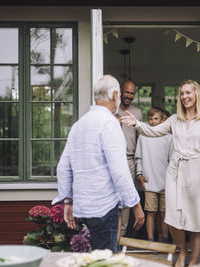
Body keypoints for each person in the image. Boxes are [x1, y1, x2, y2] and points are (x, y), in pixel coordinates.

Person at [121, 80, 200, 267]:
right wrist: (137, 124)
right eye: (182, 93)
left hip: (198, 170)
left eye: (188, 93)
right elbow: (153, 131)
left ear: (197, 94)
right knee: (172, 217)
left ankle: (194, 261)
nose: (185, 97)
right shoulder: (175, 119)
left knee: (197, 218)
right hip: (175, 171)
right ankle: (182, 251)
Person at [52, 75, 145, 252]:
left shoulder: (79, 125)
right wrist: (136, 205)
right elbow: (119, 171)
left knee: (91, 258)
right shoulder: (109, 124)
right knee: (105, 261)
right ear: (115, 94)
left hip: (83, 208)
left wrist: (67, 201)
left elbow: (63, 167)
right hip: (104, 209)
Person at [135, 107, 172, 243]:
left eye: (156, 119)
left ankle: (165, 239)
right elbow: (138, 157)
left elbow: (172, 159)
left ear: (162, 120)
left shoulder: (169, 137)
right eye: (150, 119)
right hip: (149, 181)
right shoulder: (143, 136)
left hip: (166, 182)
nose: (152, 122)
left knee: (164, 213)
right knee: (150, 212)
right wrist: (139, 174)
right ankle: (151, 240)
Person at [116, 80, 143, 238]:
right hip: (113, 159)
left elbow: (141, 138)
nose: (129, 96)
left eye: (132, 93)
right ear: (120, 91)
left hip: (130, 160)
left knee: (127, 198)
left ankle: (123, 237)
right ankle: (115, 237)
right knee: (114, 197)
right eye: (127, 92)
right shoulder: (113, 109)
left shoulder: (137, 113)